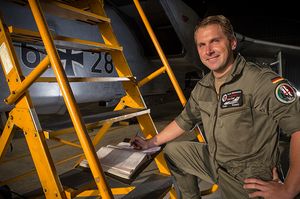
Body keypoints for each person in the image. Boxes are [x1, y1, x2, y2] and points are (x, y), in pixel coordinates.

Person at [131, 15, 300, 198]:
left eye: (215, 41)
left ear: (233, 43)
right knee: (173, 151)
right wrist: (150, 142)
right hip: (216, 163)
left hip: (248, 178)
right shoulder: (204, 86)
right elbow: (183, 121)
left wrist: (289, 188)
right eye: (201, 45)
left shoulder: (259, 81)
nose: (208, 51)